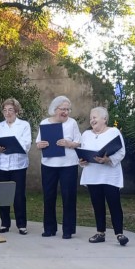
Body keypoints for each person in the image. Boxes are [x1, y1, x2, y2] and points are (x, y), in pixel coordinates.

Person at [79, 106, 129, 246]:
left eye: (94, 117)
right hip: (93, 175)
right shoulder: (86, 135)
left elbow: (121, 152)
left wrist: (107, 160)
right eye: (90, 118)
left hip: (109, 175)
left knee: (114, 204)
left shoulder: (114, 132)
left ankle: (119, 234)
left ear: (104, 119)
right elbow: (83, 152)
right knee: (97, 205)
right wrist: (81, 161)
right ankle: (100, 233)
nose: (91, 120)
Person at [35, 95, 81, 239]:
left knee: (68, 197)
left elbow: (79, 142)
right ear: (55, 109)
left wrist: (69, 144)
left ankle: (68, 230)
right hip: (49, 164)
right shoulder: (45, 123)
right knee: (49, 196)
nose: (66, 112)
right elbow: (38, 143)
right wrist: (40, 145)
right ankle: (49, 228)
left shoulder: (72, 123)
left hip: (68, 165)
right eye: (63, 109)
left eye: (68, 109)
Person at [0, 98, 31, 235]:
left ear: (16, 111)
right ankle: (4, 223)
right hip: (2, 165)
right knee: (2, 195)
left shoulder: (24, 125)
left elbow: (26, 145)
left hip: (18, 165)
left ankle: (21, 224)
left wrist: (13, 145)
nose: (7, 113)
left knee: (19, 195)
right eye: (5, 110)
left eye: (10, 110)